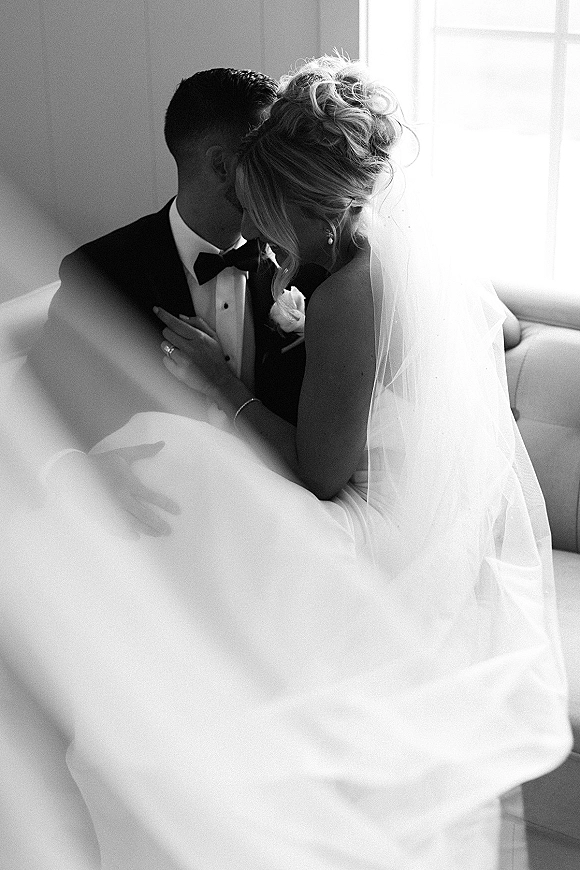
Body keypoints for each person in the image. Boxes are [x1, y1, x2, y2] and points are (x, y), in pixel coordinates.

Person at [1, 56, 570, 869]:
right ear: (223, 166)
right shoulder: (104, 271)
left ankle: (194, 775)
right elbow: (39, 413)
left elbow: (322, 473)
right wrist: (85, 475)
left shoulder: (337, 277)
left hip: (344, 508)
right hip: (205, 527)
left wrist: (226, 383)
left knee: (196, 471)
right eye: (253, 180)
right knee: (171, 474)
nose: (262, 226)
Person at [16, 67, 322, 536]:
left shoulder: (310, 264)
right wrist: (76, 467)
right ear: (222, 165)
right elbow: (28, 411)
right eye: (268, 158)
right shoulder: (101, 273)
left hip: (281, 527)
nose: (284, 174)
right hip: (156, 539)